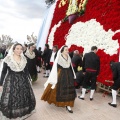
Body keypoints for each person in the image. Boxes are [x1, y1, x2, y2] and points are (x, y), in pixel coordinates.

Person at [0, 43, 36, 119]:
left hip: (23, 80)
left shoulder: (24, 58)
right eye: (17, 48)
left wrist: (29, 79)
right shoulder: (8, 58)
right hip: (11, 80)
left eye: (21, 49)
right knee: (13, 96)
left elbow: (26, 70)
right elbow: (3, 72)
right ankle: (13, 113)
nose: (19, 50)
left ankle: (22, 112)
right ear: (13, 49)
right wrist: (0, 84)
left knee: (22, 96)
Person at [41, 45, 76, 113]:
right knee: (58, 88)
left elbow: (70, 66)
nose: (67, 51)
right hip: (60, 74)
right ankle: (59, 101)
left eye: (68, 50)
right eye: (66, 50)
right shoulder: (59, 56)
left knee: (68, 89)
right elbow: (55, 67)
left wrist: (72, 75)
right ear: (62, 50)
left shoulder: (68, 56)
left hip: (68, 74)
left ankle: (68, 104)